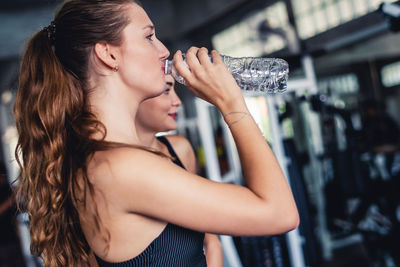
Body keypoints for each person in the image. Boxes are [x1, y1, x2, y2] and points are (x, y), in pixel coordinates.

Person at [13, 0, 299, 266]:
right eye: (149, 37)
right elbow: (280, 213)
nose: (163, 50)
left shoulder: (109, 160)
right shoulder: (119, 168)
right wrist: (232, 103)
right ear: (108, 54)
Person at [135, 75, 224, 267]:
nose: (177, 101)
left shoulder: (181, 150)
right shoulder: (113, 169)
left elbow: (212, 240)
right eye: (166, 90)